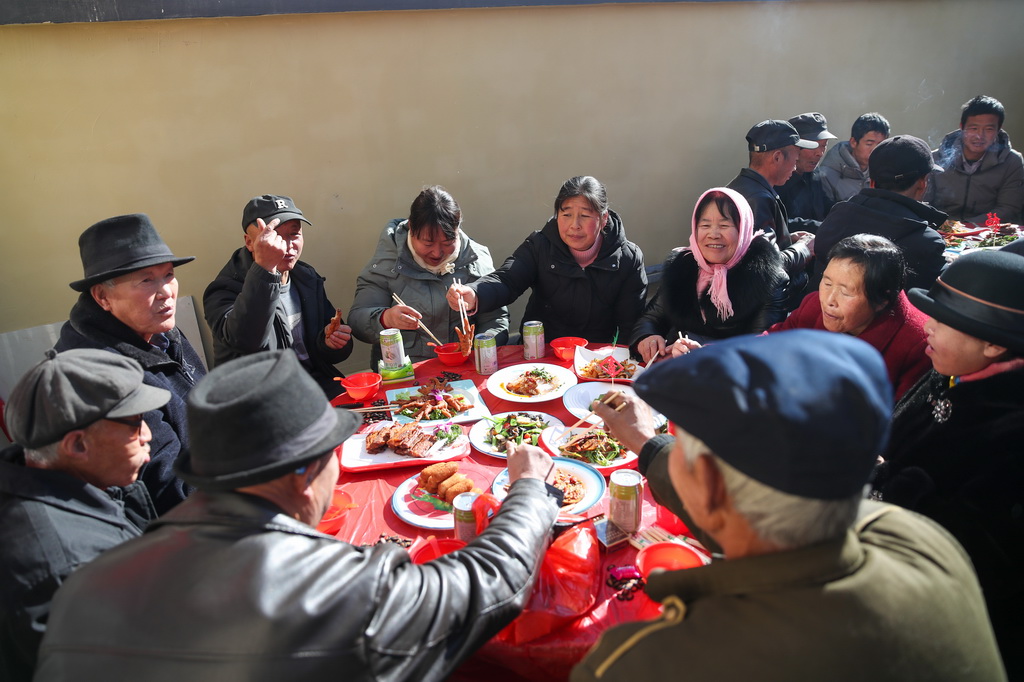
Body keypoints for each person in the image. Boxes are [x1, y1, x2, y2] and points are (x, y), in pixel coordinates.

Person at [34, 350, 564, 682]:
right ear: (303, 473)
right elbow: (490, 582)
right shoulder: (336, 588)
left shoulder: (87, 585)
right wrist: (530, 490)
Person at [570, 331, 1006, 681]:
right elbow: (760, 506)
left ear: (708, 488)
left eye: (683, 448)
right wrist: (648, 444)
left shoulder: (647, 662)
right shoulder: (918, 538)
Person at [872, 249, 1024, 678]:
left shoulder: (1011, 431)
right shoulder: (952, 369)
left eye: (943, 320)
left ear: (993, 343)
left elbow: (983, 561)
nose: (928, 326)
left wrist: (887, 480)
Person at [0, 349, 169, 681]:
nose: (148, 435)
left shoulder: (64, 482)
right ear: (77, 446)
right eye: (134, 424)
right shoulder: (67, 569)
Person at [53, 214, 205, 515]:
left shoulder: (161, 331)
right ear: (102, 297)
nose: (166, 292)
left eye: (169, 275)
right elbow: (173, 492)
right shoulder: (100, 376)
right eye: (147, 280)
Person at [446, 176, 646, 343]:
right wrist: (474, 293)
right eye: (566, 214)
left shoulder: (628, 258)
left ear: (603, 219)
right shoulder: (540, 245)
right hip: (543, 354)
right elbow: (507, 279)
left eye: (584, 216)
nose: (574, 225)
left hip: (597, 360)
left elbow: (629, 325)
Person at [204, 194, 353, 398]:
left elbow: (325, 349)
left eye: (294, 234)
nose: (287, 245)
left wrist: (331, 343)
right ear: (249, 243)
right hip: (260, 401)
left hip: (312, 385)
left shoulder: (307, 279)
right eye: (275, 237)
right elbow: (247, 341)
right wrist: (265, 269)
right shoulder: (225, 290)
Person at [349, 186, 509, 366]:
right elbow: (357, 319)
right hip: (404, 373)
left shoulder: (476, 260)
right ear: (411, 228)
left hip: (467, 366)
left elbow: (495, 319)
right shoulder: (386, 263)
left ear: (457, 229)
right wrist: (385, 319)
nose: (437, 253)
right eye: (428, 243)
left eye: (448, 243)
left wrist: (483, 349)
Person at [631, 187, 786, 363]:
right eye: (705, 225)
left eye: (724, 225)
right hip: (675, 371)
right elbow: (651, 318)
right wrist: (648, 338)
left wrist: (702, 352)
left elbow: (761, 345)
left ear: (743, 229)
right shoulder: (682, 266)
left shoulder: (768, 278)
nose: (713, 234)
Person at [768, 235, 929, 400]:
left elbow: (899, 417)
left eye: (845, 292)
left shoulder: (917, 344)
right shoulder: (814, 305)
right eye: (827, 283)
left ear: (882, 300)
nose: (829, 300)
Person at [810, 135, 947, 293]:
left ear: (873, 182)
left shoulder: (837, 216)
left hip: (817, 313)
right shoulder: (926, 242)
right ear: (923, 183)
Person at [726, 119, 817, 307]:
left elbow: (751, 249)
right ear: (777, 157)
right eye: (795, 156)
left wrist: (786, 238)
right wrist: (804, 248)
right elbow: (769, 266)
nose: (795, 164)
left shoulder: (739, 186)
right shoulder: (759, 198)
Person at [924, 95, 1024, 225]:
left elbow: (1008, 207)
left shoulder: (1012, 161)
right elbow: (924, 203)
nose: (979, 136)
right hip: (941, 229)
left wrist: (969, 226)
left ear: (998, 130)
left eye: (989, 129)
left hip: (988, 232)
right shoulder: (935, 158)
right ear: (962, 127)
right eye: (973, 128)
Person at [775, 112, 837, 224]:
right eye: (813, 145)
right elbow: (779, 223)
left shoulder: (814, 173)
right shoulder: (777, 179)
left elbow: (825, 205)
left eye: (824, 145)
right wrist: (821, 227)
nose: (820, 153)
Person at [818, 112, 891, 203]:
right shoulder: (828, 174)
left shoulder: (887, 171)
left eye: (880, 144)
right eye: (869, 144)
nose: (875, 150)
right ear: (853, 142)